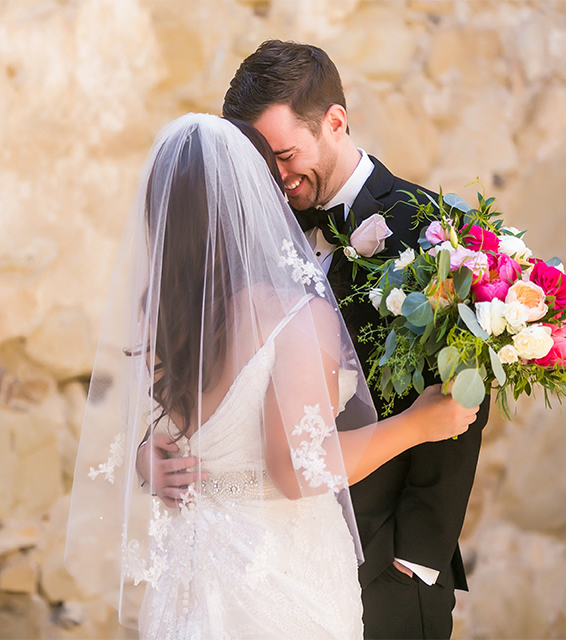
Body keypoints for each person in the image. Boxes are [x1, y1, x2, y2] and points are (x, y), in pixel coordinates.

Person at [66, 113, 476, 639]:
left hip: (195, 571)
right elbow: (297, 469)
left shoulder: (164, 318)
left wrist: (152, 454)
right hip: (279, 577)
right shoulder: (292, 315)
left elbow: (181, 427)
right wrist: (419, 425)